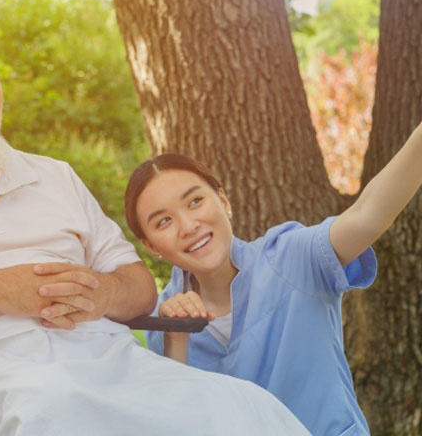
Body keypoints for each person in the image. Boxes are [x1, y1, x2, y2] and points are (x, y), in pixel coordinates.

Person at [0, 19, 310, 435]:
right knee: (60, 408)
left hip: (113, 367)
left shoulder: (53, 177)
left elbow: (137, 286)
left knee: (250, 410)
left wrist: (99, 294)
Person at [124, 123, 422, 436]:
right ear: (151, 246)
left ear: (223, 201)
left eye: (195, 201)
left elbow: (366, 216)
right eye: (164, 221)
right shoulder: (162, 327)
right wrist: (176, 340)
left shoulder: (291, 258)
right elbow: (180, 425)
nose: (188, 225)